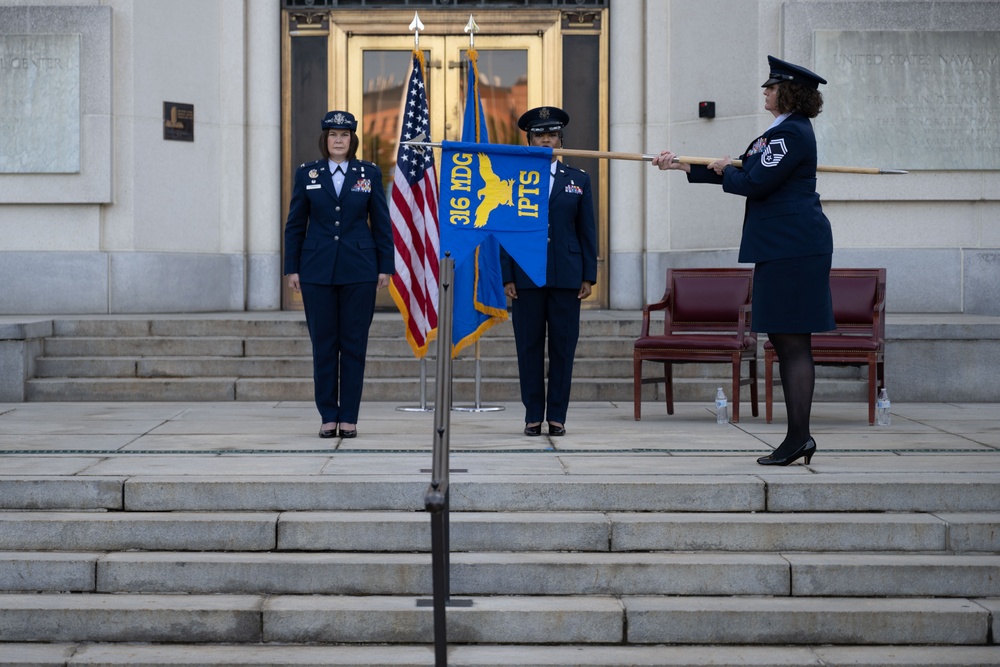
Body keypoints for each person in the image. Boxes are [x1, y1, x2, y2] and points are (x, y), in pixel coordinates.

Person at [652, 56, 835, 466]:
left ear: (788, 92)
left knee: (793, 340)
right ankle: (797, 437)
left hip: (795, 247)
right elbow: (741, 169)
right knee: (787, 341)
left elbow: (753, 181)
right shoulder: (779, 132)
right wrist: (683, 164)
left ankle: (799, 437)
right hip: (783, 247)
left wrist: (725, 169)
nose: (765, 91)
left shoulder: (790, 134)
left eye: (771, 86)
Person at [284, 110, 394, 439]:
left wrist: (385, 265)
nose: (338, 140)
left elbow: (382, 223)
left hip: (359, 270)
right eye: (333, 135)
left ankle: (349, 416)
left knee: (354, 344)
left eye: (344, 135)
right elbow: (294, 226)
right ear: (325, 139)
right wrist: (292, 267)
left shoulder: (369, 173)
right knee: (324, 346)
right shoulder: (308, 174)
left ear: (353, 140)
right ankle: (327, 415)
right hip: (316, 271)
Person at [500, 106, 598, 437]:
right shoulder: (514, 179)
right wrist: (507, 275)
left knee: (562, 348)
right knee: (528, 348)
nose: (546, 141)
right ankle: (532, 415)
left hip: (567, 275)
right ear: (529, 140)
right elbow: (507, 230)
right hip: (526, 274)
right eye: (539, 136)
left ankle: (556, 415)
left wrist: (588, 274)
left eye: (552, 135)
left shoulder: (578, 180)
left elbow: (587, 231)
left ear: (560, 140)